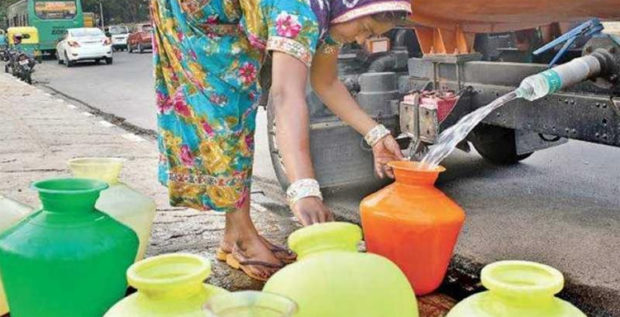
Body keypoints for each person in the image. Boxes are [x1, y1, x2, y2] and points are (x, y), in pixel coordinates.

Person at [151, 0, 411, 281]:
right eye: (365, 28)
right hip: (196, 10)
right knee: (223, 107)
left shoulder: (333, 16)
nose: (361, 40)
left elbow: (325, 82)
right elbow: (286, 96)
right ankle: (241, 238)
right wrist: (303, 189)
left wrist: (376, 135)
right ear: (354, 7)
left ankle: (236, 233)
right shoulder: (299, 10)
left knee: (241, 102)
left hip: (232, 15)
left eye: (371, 36)